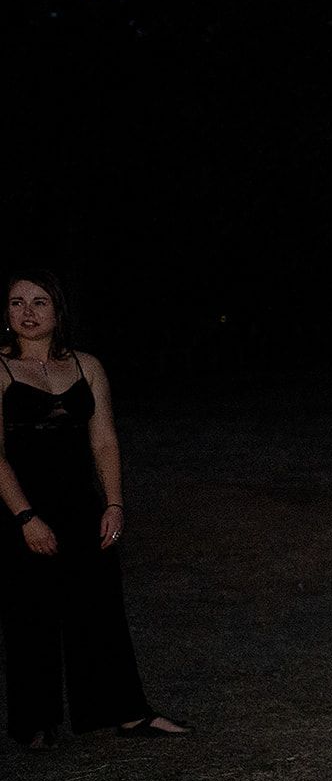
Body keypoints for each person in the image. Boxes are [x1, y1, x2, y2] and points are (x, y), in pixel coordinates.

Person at [1, 270, 190, 747]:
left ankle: (126, 713)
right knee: (31, 611)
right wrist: (25, 517)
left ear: (58, 310)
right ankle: (34, 722)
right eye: (17, 302)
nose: (27, 312)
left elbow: (104, 442)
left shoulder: (87, 366)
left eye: (39, 302)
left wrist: (114, 503)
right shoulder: (0, 369)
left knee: (99, 608)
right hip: (22, 505)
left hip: (82, 504)